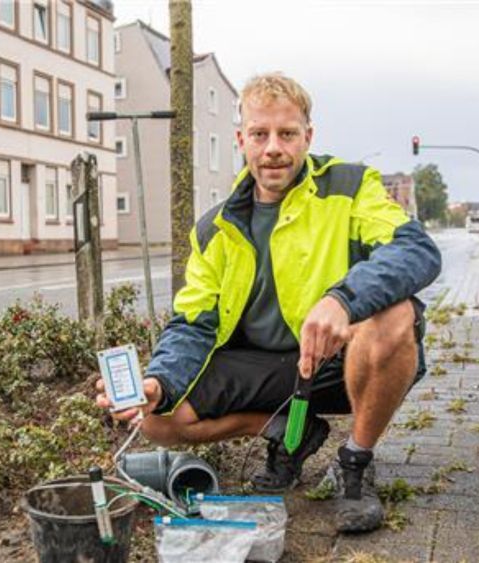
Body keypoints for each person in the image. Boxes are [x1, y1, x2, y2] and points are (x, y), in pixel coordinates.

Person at [95, 72, 441, 533]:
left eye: (287, 134)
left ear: (307, 137)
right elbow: (193, 323)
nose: (273, 147)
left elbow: (416, 250)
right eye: (260, 134)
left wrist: (343, 301)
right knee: (157, 418)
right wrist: (159, 381)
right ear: (242, 139)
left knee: (395, 315)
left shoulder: (350, 187)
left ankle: (356, 462)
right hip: (266, 367)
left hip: (340, 360)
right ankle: (288, 434)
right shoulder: (213, 229)